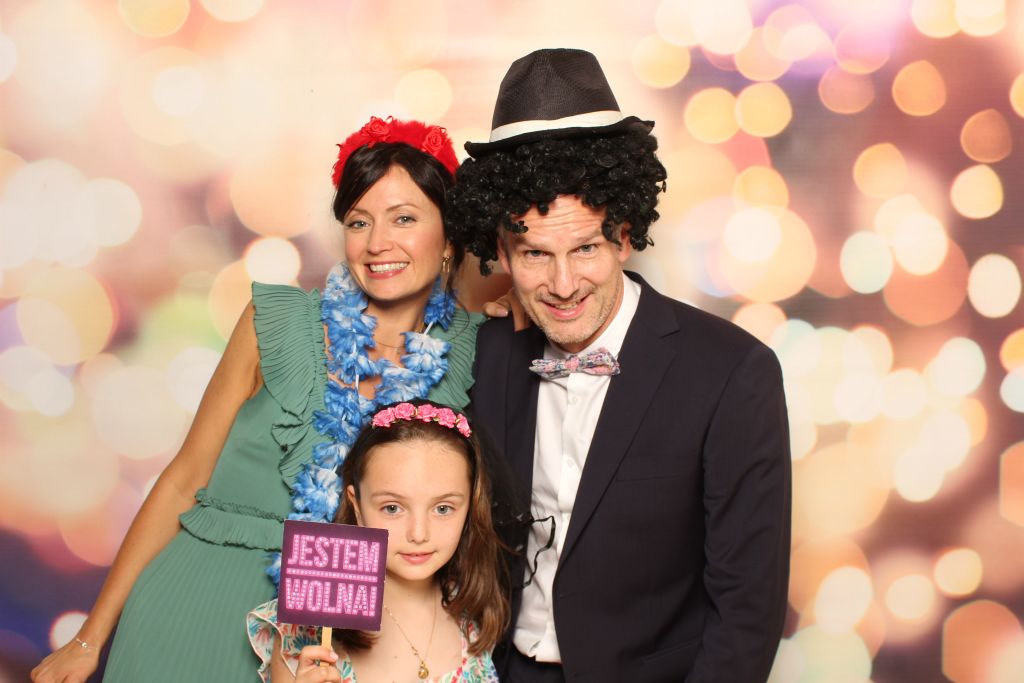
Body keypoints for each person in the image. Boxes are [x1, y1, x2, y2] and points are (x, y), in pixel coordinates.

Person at [31, 116, 486, 682]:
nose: (377, 244)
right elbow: (183, 479)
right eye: (358, 221)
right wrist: (89, 637)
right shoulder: (274, 322)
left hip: (329, 639)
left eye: (404, 219)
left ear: (449, 236)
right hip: (192, 604)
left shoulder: (474, 352)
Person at [448, 48, 792, 682]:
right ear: (501, 250)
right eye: (534, 255)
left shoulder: (732, 373)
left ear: (625, 234)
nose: (563, 285)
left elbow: (746, 614)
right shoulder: (484, 355)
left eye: (585, 248)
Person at [247, 399, 508, 682]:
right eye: (392, 508)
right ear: (357, 506)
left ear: (470, 506)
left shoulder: (474, 614)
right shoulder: (308, 629)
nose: (418, 534)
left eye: (443, 508)